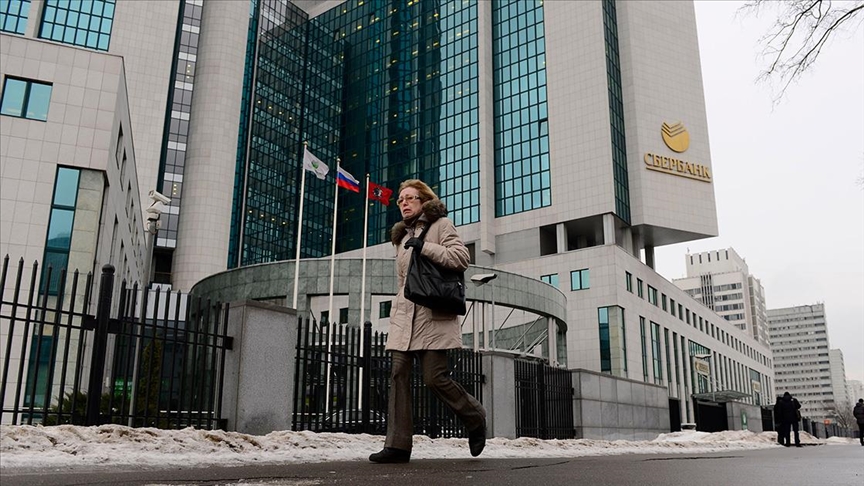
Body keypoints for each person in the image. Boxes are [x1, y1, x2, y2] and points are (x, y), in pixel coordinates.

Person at [369, 179, 486, 464]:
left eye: (410, 198)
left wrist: (424, 247)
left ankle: (474, 416)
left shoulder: (441, 225)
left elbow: (461, 258)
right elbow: (403, 282)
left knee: (434, 378)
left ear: (424, 201)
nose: (404, 203)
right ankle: (397, 445)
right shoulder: (400, 238)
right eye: (400, 200)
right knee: (398, 374)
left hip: (432, 314)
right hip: (404, 316)